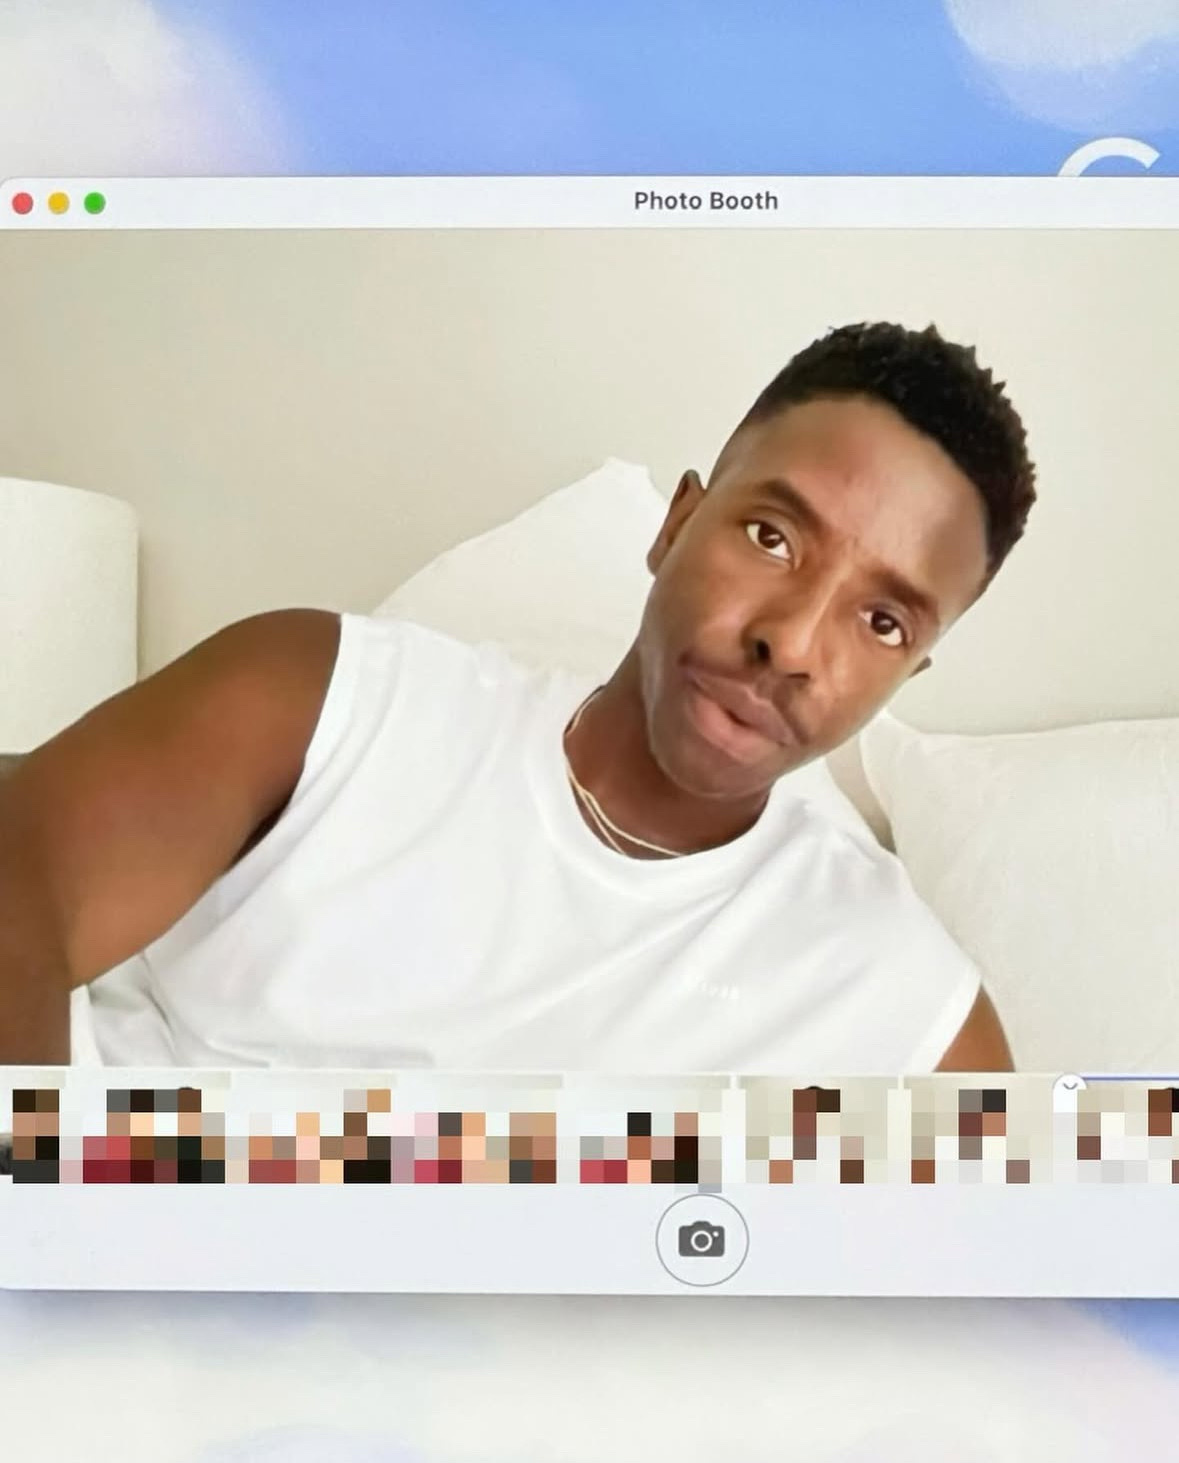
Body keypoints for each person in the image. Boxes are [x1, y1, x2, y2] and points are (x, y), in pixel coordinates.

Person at [0, 322, 1036, 1073]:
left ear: (906, 674)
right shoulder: (323, 696)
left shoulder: (896, 991)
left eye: (883, 621)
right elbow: (19, 889)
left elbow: (1022, 1261)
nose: (793, 641)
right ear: (676, 524)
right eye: (772, 536)